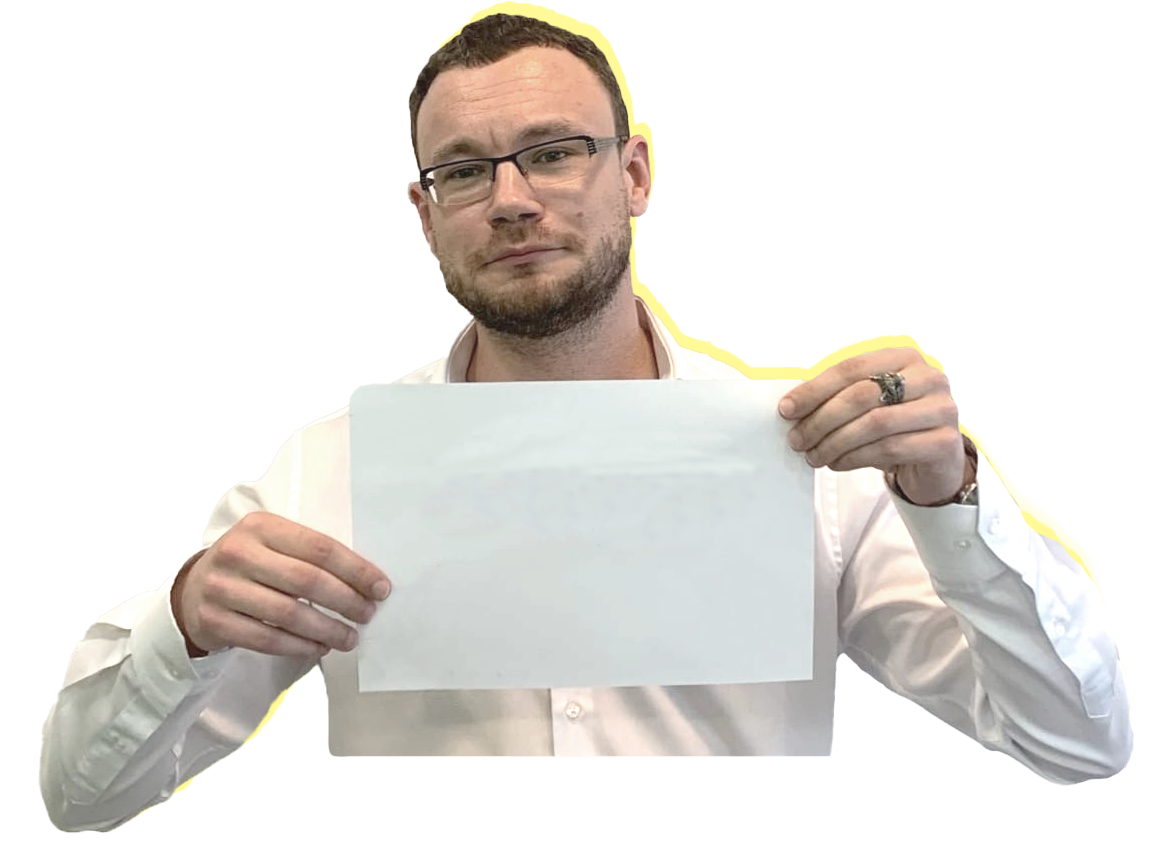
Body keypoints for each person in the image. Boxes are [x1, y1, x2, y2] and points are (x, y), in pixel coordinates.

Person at [39, 12, 1133, 834]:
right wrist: (185, 622)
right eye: (463, 170)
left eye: (553, 151)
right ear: (424, 215)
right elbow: (79, 796)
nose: (512, 198)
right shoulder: (326, 471)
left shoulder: (808, 454)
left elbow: (1077, 742)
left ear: (634, 172)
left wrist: (947, 496)